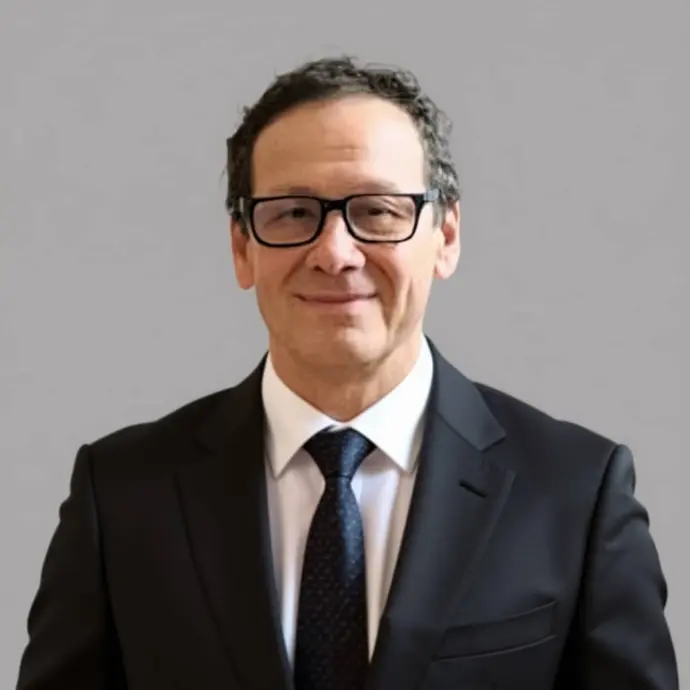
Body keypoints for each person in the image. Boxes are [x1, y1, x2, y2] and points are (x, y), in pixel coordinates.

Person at [16, 55, 678, 690]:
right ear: (242, 247)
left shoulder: (573, 493)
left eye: (379, 211)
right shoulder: (124, 496)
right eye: (293, 213)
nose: (335, 253)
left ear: (446, 236)